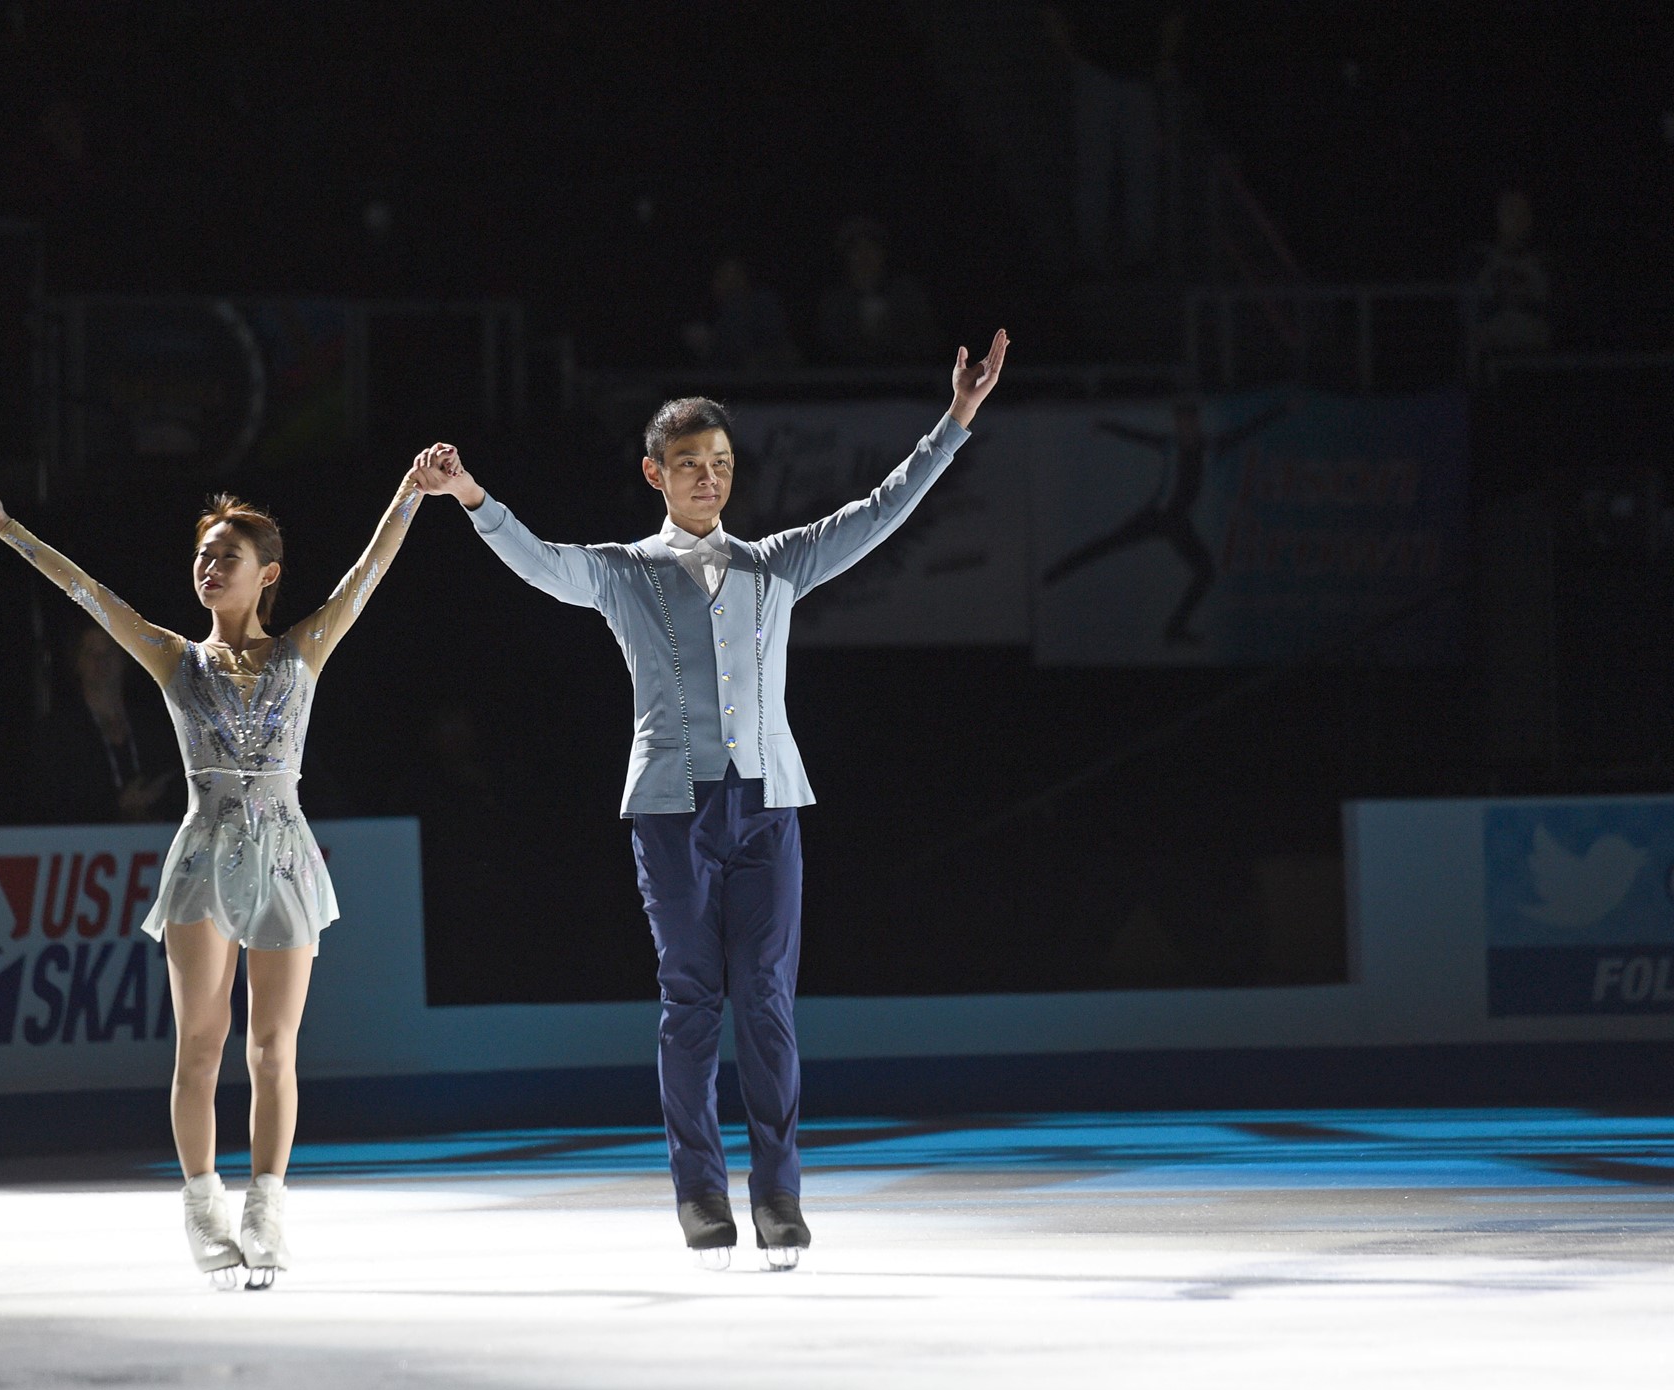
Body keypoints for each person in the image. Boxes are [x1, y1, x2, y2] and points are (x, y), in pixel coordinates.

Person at [416, 329, 1010, 1269]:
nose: (708, 478)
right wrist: (472, 498)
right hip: (668, 811)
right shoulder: (623, 570)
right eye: (689, 464)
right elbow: (538, 561)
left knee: (767, 1001)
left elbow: (881, 512)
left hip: (769, 806)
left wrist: (957, 420)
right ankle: (699, 1193)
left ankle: (779, 1194)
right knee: (691, 1000)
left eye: (721, 463)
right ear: (654, 472)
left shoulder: (775, 564)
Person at [0, 450, 431, 1287]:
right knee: (200, 1048)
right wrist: (4, 526)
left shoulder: (303, 649)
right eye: (202, 555)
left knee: (273, 1050)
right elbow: (84, 591)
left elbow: (368, 571)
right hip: (204, 855)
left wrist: (411, 491)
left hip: (280, 854)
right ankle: (203, 1203)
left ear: (264, 575)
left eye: (225, 558)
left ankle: (266, 1208)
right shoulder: (174, 658)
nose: (207, 568)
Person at [1042, 395, 1289, 647]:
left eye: (1189, 423)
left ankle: (1175, 627)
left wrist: (1282, 408)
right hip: (1156, 517)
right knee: (1108, 544)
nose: (1185, 429)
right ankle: (1051, 575)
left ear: (1196, 424)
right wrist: (1105, 425)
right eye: (1181, 424)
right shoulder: (1170, 444)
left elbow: (1246, 431)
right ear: (1178, 425)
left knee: (1206, 573)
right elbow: (1137, 435)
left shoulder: (1210, 447)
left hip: (1179, 524)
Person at [1043, 3, 1183, 275]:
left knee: (1126, 167)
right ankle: (1108, 251)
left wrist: (1070, 54)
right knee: (1116, 167)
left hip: (1126, 73)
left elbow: (1174, 15)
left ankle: (1117, 251)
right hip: (1113, 71)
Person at [31, 620, 177, 824]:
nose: (101, 661)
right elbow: (51, 803)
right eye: (90, 652)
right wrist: (116, 806)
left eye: (109, 651)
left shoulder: (153, 726)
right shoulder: (58, 733)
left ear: (125, 658)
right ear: (77, 662)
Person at [814, 218, 942, 364]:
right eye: (857, 249)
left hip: (903, 378)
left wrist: (892, 337)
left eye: (872, 248)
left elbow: (929, 341)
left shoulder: (906, 294)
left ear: (883, 254)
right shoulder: (835, 301)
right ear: (845, 256)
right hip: (849, 381)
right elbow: (828, 348)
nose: (865, 256)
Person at [682, 257, 800, 369]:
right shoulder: (714, 316)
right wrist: (705, 348)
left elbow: (778, 350)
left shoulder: (763, 304)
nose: (730, 284)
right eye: (723, 278)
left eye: (735, 277)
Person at [1474, 186, 1551, 356]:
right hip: (1490, 357)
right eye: (1510, 211)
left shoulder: (1544, 265)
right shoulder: (1480, 262)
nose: (1516, 218)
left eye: (1522, 212)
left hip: (1535, 356)